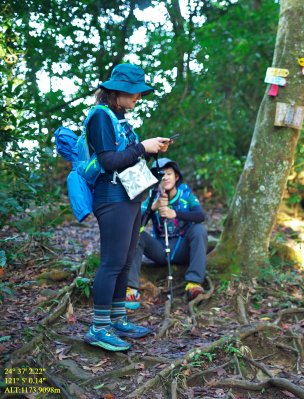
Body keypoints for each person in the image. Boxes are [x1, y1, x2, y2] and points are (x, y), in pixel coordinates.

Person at [84, 63, 172, 352]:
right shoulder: (100, 117)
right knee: (111, 262)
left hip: (131, 198)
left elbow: (129, 156)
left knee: (124, 260)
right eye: (134, 94)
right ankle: (98, 328)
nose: (138, 98)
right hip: (112, 198)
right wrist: (142, 147)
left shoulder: (119, 118)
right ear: (117, 91)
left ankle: (118, 318)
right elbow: (109, 161)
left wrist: (151, 147)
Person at [125, 157, 208, 310]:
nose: (165, 177)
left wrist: (175, 213)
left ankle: (193, 284)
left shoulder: (185, 193)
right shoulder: (151, 196)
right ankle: (131, 289)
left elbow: (200, 216)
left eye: (169, 173)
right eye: (160, 174)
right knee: (137, 235)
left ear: (176, 177)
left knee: (199, 230)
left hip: (182, 247)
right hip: (160, 250)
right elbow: (136, 224)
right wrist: (153, 207)